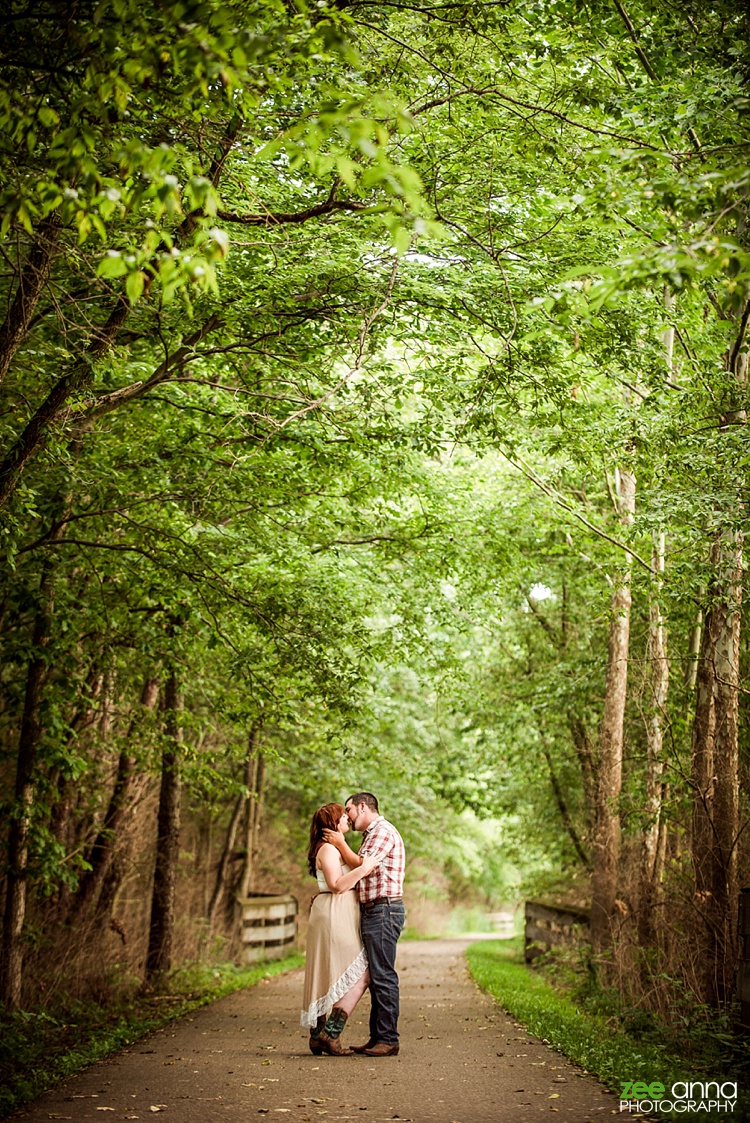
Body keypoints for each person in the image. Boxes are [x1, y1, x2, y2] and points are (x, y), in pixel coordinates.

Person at [324, 792, 405, 1057]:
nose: (346, 815)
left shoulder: (382, 831)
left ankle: (388, 1039)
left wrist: (339, 842)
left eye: (349, 810)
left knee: (382, 975)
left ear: (362, 806)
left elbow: (362, 866)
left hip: (384, 910)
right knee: (374, 975)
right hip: (373, 911)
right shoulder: (370, 835)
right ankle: (378, 1037)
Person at [300, 802, 377, 1056]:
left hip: (335, 912)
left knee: (327, 970)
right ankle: (329, 1034)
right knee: (363, 973)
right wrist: (364, 869)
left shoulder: (332, 848)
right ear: (333, 823)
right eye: (342, 816)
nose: (346, 818)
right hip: (334, 912)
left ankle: (318, 1036)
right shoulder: (329, 850)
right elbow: (335, 884)